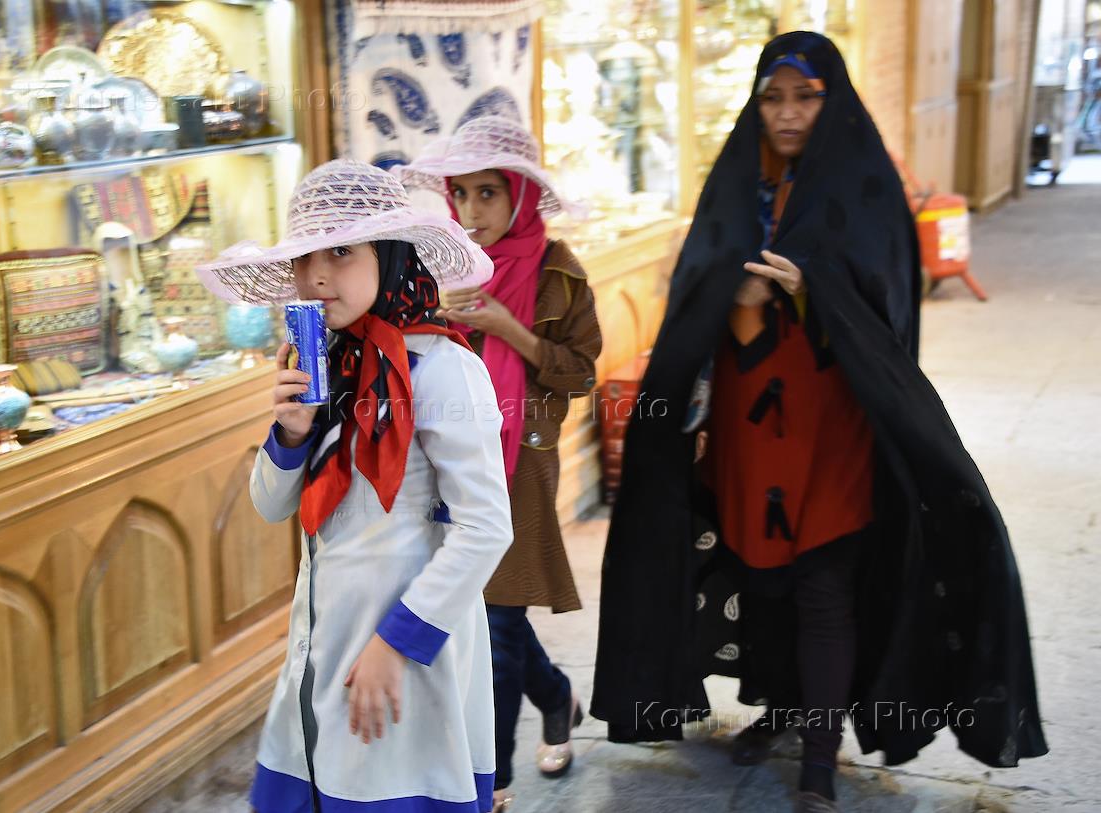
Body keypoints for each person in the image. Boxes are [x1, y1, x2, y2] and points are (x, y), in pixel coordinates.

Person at [590, 32, 1047, 813]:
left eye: (806, 96)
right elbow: (701, 289)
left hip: (833, 425)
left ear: (831, 101)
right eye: (772, 98)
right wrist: (729, 296)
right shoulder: (738, 186)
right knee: (762, 577)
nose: (788, 113)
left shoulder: (864, 185)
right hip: (747, 429)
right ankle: (784, 707)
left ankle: (820, 760)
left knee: (823, 582)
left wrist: (812, 289)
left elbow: (886, 308)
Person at [196, 159, 514, 813]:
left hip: (403, 656)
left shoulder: (441, 369)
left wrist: (397, 642)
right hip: (326, 643)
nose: (316, 275)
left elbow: (485, 528)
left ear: (390, 256)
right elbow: (271, 504)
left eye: (341, 252)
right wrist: (291, 432)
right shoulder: (326, 367)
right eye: (305, 256)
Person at [396, 116, 603, 812]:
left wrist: (506, 328)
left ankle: (496, 785)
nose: (471, 210)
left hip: (521, 467)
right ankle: (558, 696)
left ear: (520, 195)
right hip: (444, 465)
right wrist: (434, 314)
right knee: (486, 615)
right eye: (459, 193)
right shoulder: (440, 266)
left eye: (488, 193)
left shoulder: (559, 273)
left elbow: (579, 374)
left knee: (499, 628)